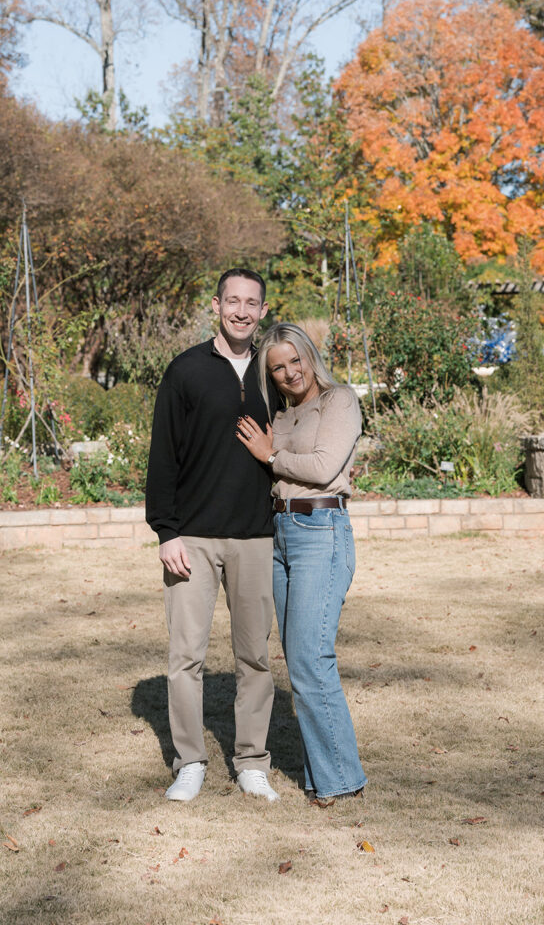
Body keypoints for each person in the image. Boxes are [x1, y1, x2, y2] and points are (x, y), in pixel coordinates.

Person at [145, 269, 280, 803]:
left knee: (255, 657)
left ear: (263, 310)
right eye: (232, 301)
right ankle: (191, 761)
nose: (241, 311)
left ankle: (251, 761)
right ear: (217, 305)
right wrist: (167, 531)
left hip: (255, 536)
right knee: (186, 657)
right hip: (193, 539)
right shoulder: (186, 371)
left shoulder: (275, 374)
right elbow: (163, 456)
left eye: (251, 302)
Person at [236, 323, 367, 806]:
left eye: (296, 360)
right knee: (299, 660)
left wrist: (271, 454)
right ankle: (322, 774)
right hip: (281, 535)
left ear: (310, 355)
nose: (290, 373)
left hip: (321, 533)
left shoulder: (339, 401)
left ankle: (339, 779)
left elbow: (323, 467)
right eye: (278, 368)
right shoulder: (283, 414)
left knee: (313, 658)